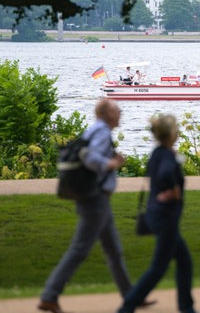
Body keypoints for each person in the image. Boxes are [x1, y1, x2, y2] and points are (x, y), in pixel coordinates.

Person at [38, 99, 156, 313]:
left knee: (114, 252)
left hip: (96, 199)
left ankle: (131, 297)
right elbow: (90, 157)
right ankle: (49, 295)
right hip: (95, 200)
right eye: (117, 110)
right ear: (108, 114)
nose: (120, 113)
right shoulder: (101, 133)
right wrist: (111, 164)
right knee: (80, 249)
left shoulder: (94, 129)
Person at [117, 114, 198, 313]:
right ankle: (127, 306)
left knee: (184, 261)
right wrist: (172, 191)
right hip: (165, 218)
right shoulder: (167, 156)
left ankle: (186, 307)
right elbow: (165, 174)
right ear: (171, 133)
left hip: (158, 215)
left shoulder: (158, 153)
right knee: (158, 267)